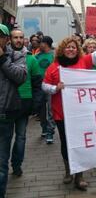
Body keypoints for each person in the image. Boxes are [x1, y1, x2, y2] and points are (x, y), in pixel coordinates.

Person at [42, 31, 96, 190]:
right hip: (61, 113)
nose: (71, 50)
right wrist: (55, 88)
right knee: (66, 143)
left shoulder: (84, 61)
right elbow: (44, 86)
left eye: (73, 47)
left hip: (81, 113)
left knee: (80, 143)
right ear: (62, 49)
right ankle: (68, 170)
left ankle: (79, 175)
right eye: (68, 47)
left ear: (77, 49)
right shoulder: (54, 67)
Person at [9, 29, 42, 177]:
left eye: (21, 37)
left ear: (24, 40)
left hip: (24, 102)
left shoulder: (31, 59)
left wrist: (35, 104)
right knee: (6, 137)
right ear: (10, 39)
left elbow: (37, 84)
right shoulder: (5, 57)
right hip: (7, 104)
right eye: (15, 37)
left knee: (21, 137)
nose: (18, 40)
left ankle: (17, 164)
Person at [0, 24, 27, 198]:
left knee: (1, 162)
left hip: (5, 114)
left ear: (5, 39)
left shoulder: (17, 56)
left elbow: (20, 77)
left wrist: (2, 59)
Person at [36, 36, 55, 144]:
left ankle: (50, 131)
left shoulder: (54, 55)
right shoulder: (37, 55)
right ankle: (43, 127)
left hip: (51, 86)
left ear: (46, 43)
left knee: (51, 110)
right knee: (41, 110)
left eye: (41, 43)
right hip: (39, 86)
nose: (39, 45)